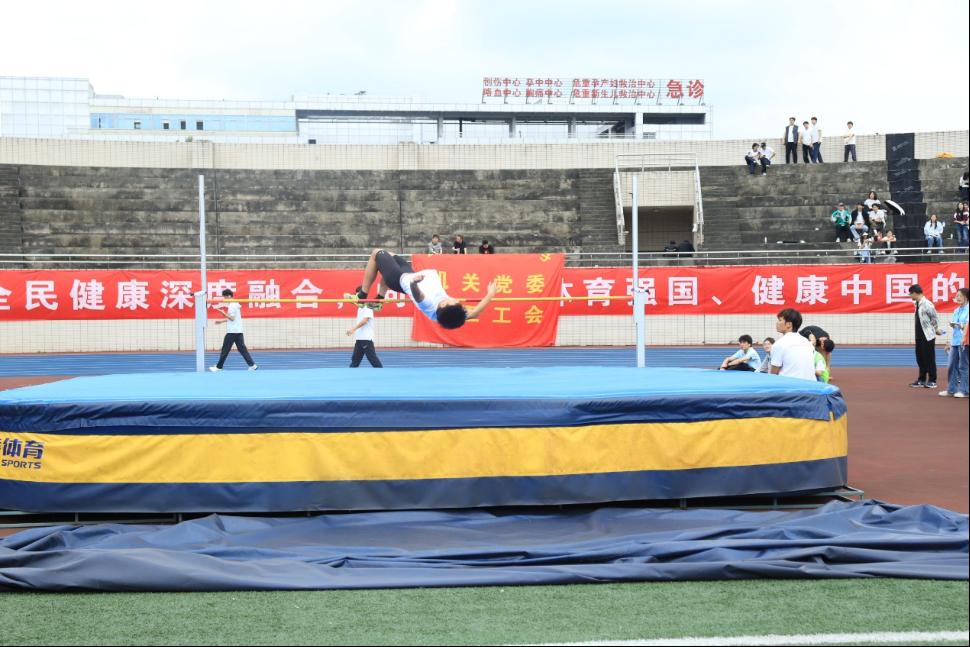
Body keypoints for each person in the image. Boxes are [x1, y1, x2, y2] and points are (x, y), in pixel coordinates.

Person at [355, 248, 497, 330]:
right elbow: (475, 313)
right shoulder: (453, 315)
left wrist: (414, 283)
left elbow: (418, 296)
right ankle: (379, 300)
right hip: (408, 273)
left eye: (455, 302)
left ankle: (362, 296)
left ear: (443, 304)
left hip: (398, 278)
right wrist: (490, 294)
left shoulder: (429, 304)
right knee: (389, 256)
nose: (456, 301)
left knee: (376, 253)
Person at [208, 288, 258, 372]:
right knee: (242, 349)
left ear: (229, 296)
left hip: (232, 332)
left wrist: (224, 314)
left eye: (225, 297)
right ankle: (252, 365)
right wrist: (221, 321)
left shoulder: (232, 305)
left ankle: (219, 367)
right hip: (238, 331)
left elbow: (232, 318)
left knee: (225, 350)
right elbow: (234, 319)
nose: (224, 299)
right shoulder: (236, 304)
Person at [909, 284, 942, 389]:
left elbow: (934, 317)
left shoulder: (927, 304)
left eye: (911, 293)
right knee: (920, 358)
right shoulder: (917, 304)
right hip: (919, 335)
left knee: (929, 358)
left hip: (928, 335)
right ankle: (921, 379)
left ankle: (932, 380)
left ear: (915, 293)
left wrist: (936, 328)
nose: (910, 296)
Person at [769, 308, 816, 381]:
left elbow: (773, 374)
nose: (777, 323)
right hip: (811, 384)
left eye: (780, 320)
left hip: (791, 385)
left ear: (789, 324)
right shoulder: (806, 342)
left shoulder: (779, 344)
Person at [939, 288, 969, 397]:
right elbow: (957, 325)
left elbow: (966, 325)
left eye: (960, 295)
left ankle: (965, 390)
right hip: (955, 341)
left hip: (964, 341)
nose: (957, 298)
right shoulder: (956, 310)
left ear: (966, 297)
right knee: (952, 365)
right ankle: (951, 389)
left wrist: (961, 326)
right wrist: (953, 325)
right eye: (956, 296)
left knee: (963, 366)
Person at [346, 301, 383, 368]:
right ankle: (351, 373)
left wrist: (353, 329)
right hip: (359, 339)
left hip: (366, 339)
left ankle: (382, 372)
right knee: (355, 361)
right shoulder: (360, 308)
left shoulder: (368, 308)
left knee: (373, 360)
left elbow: (365, 320)